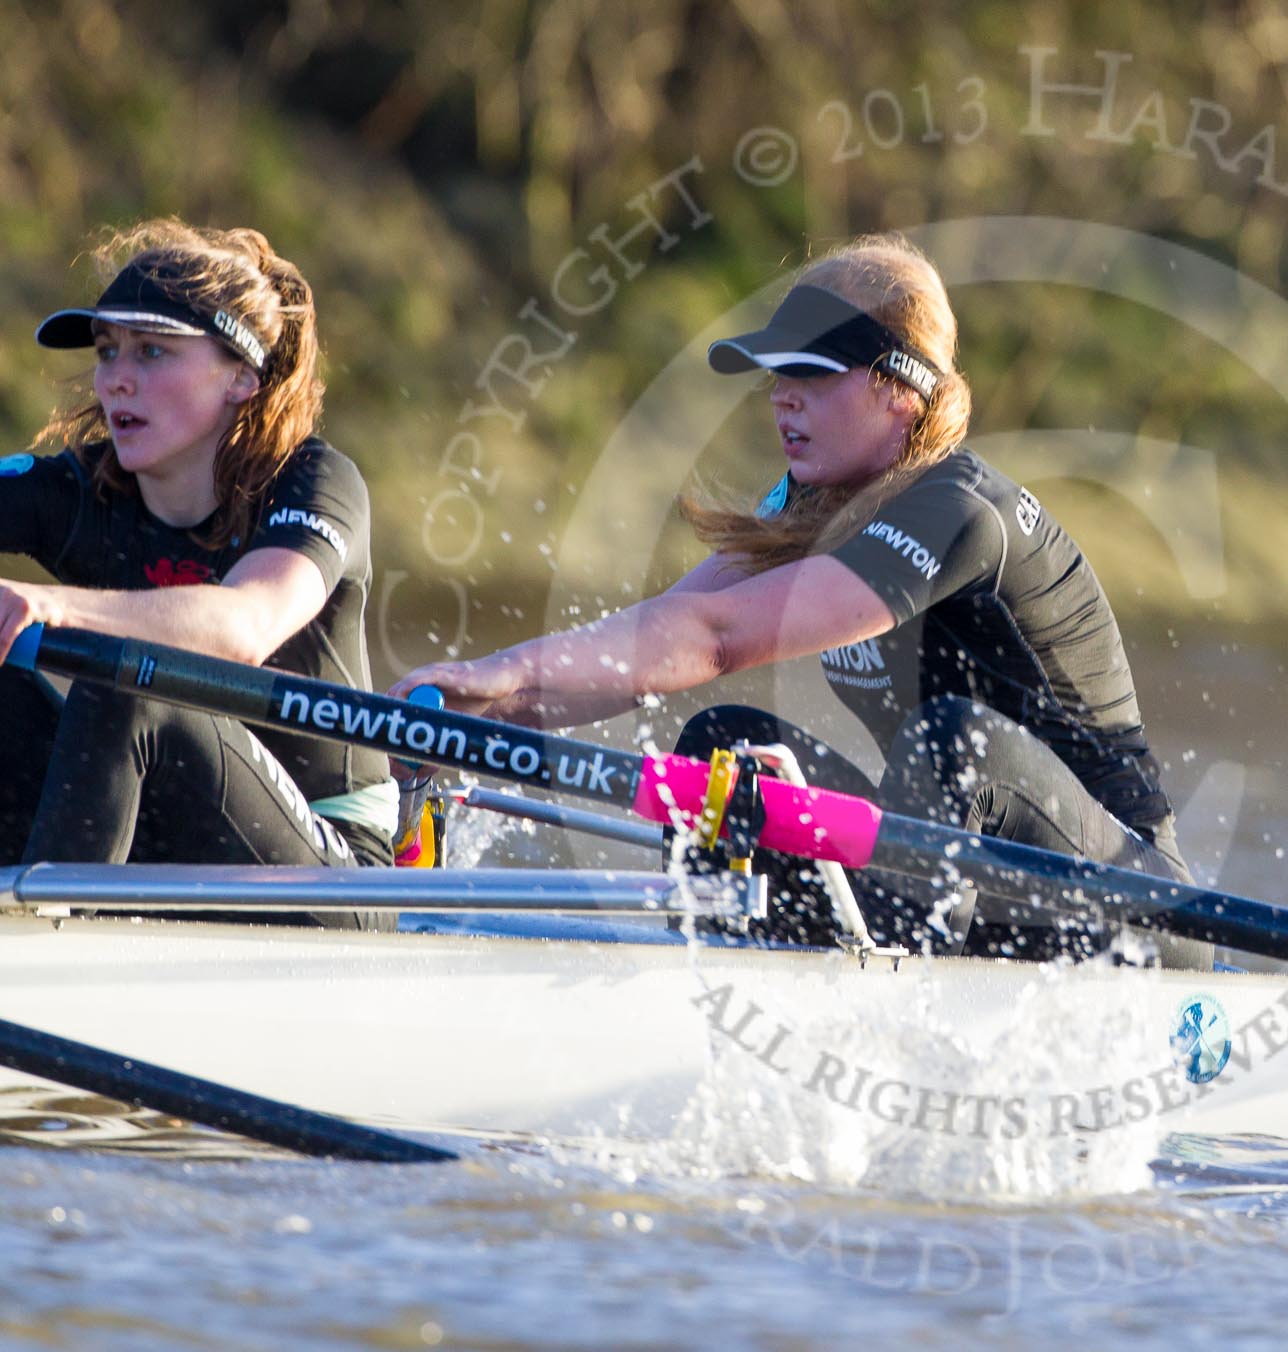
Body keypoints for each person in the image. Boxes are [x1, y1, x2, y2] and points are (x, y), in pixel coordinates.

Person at [393, 234, 1198, 962]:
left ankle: (890, 998)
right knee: (725, 749)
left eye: (809, 370)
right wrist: (483, 709)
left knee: (955, 739)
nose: (781, 395)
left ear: (897, 389)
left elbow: (716, 638)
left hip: (1131, 907)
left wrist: (502, 676)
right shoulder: (807, 506)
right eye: (777, 373)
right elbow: (657, 635)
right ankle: (725, 971)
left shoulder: (960, 511)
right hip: (965, 881)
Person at [0, 220, 393, 927]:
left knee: (133, 681)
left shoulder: (313, 483)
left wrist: (50, 605)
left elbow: (246, 624)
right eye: (107, 350)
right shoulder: (79, 490)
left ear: (241, 376)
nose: (117, 376)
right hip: (155, 843)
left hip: (335, 882)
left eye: (152, 351)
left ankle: (40, 962)